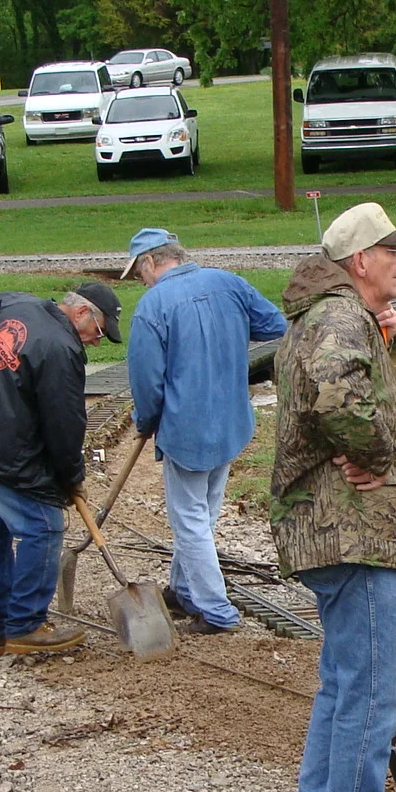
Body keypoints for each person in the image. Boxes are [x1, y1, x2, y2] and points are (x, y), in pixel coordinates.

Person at [271, 202, 396, 792]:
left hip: (329, 527)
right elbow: (337, 398)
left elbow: (336, 382)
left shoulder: (334, 314)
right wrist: (375, 456)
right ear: (361, 262)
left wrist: (382, 333)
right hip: (348, 527)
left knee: (343, 679)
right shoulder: (338, 316)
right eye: (393, 250)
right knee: (371, 685)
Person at [121, 228, 288, 635]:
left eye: (138, 273)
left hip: (187, 429)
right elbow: (275, 324)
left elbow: (146, 380)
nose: (140, 282)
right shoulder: (227, 283)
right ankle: (183, 589)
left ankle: (216, 611)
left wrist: (146, 421)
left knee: (191, 519)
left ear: (149, 263)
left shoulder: (153, 306)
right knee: (203, 513)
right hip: (232, 421)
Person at [0, 281, 121, 658]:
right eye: (100, 331)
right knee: (43, 527)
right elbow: (65, 423)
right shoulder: (61, 348)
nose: (97, 341)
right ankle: (25, 624)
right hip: (2, 450)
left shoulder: (18, 304)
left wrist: (4, 372)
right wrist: (72, 477)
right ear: (81, 313)